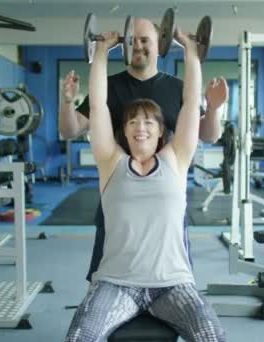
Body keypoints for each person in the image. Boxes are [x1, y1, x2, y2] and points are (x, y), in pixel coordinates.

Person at [64, 26, 225, 342]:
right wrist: (101, 52)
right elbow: (98, 106)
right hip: (116, 284)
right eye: (132, 122)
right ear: (122, 132)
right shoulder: (111, 163)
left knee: (213, 336)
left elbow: (191, 105)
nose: (141, 128)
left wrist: (191, 51)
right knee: (79, 338)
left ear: (162, 132)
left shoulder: (175, 161)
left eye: (149, 122)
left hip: (172, 285)